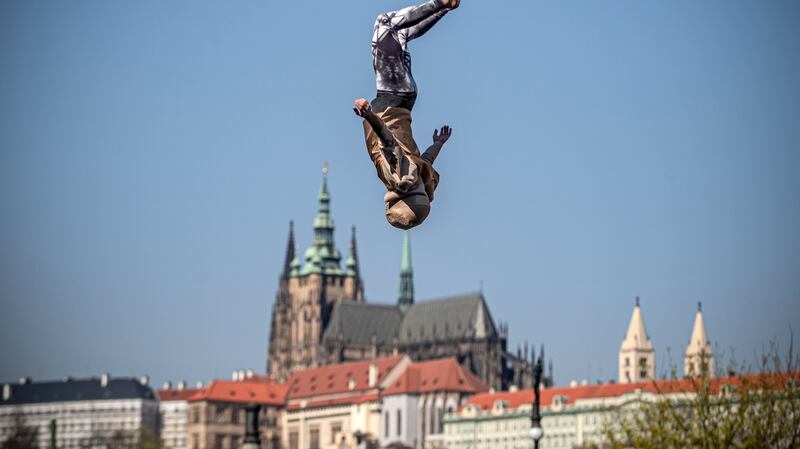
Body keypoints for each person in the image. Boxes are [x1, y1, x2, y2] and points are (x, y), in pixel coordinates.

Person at [353, 0, 460, 229]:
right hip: (391, 100)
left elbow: (427, 160)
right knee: (385, 24)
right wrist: (369, 115)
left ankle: (444, 8)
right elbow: (387, 139)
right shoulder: (399, 178)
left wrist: (438, 144)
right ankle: (440, 3)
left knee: (398, 35)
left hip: (404, 100)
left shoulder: (421, 179)